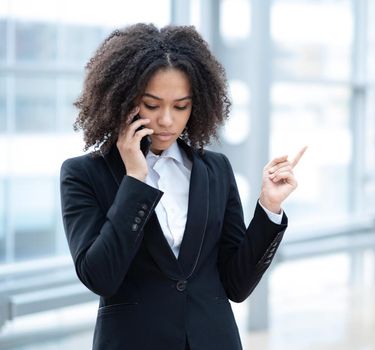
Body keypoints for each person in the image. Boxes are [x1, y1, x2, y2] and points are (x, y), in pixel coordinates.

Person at [60, 24, 305, 350]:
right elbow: (100, 276)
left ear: (197, 105)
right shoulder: (83, 174)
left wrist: (269, 207)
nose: (166, 120)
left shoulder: (215, 170)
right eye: (151, 104)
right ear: (124, 99)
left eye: (180, 106)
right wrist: (135, 179)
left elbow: (237, 284)